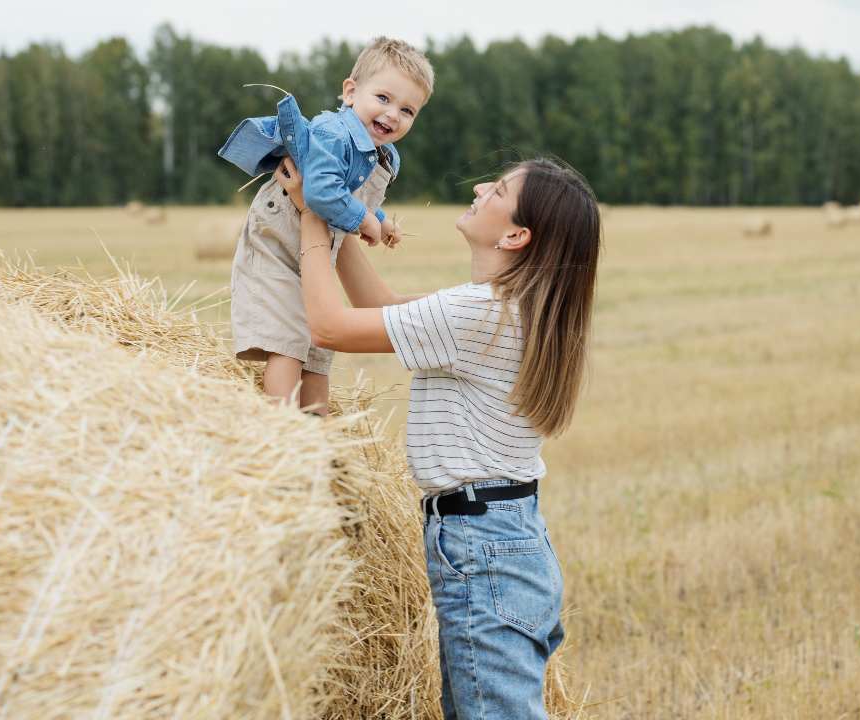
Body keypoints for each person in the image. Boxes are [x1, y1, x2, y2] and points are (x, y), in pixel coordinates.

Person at [273, 154, 602, 719]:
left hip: (484, 547)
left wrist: (307, 217)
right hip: (499, 538)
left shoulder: (481, 312)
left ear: (516, 234)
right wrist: (338, 217)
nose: (478, 186)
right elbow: (384, 311)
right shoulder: (501, 310)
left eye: (497, 189)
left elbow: (331, 325)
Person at [217, 37, 434, 413]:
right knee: (288, 341)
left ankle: (318, 433)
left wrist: (380, 222)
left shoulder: (383, 155)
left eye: (407, 110)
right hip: (277, 240)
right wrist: (364, 219)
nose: (393, 115)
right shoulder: (334, 133)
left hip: (314, 248)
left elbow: (356, 197)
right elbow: (320, 192)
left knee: (319, 345)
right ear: (351, 91)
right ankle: (279, 430)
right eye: (383, 98)